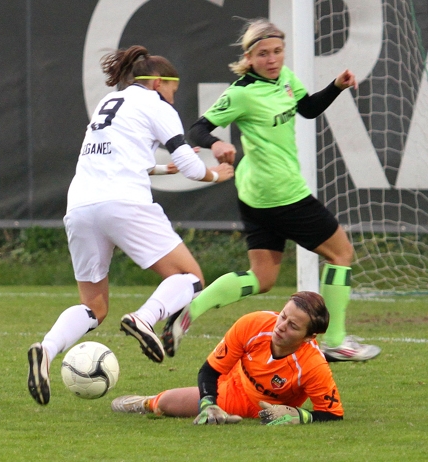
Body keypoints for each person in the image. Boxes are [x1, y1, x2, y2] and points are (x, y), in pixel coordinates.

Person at [161, 18, 380, 362]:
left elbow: (306, 109)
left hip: (255, 197)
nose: (273, 59)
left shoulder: (286, 80)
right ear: (249, 57)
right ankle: (335, 340)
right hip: (283, 193)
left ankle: (190, 309)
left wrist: (336, 86)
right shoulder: (241, 93)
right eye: (263, 53)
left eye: (278, 51)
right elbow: (198, 130)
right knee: (341, 254)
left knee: (261, 279)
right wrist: (216, 144)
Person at [27, 45, 235, 405]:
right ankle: (144, 318)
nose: (174, 95)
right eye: (173, 87)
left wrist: (156, 167)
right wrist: (217, 174)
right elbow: (190, 166)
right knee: (192, 278)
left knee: (94, 306)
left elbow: (114, 155)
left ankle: (45, 350)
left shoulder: (110, 102)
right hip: (124, 202)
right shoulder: (157, 105)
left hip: (80, 205)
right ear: (157, 82)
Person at [112, 291, 344, 425]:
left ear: (309, 337)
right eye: (283, 316)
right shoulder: (252, 324)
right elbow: (209, 370)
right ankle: (144, 402)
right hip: (233, 388)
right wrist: (208, 404)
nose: (281, 326)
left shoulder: (313, 365)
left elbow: (333, 414)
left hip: (267, 408)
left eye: (293, 326)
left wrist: (297, 415)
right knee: (165, 404)